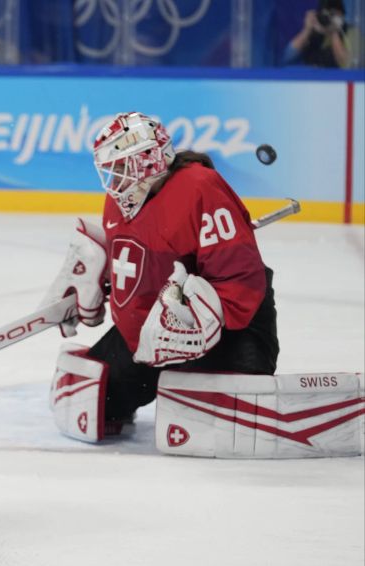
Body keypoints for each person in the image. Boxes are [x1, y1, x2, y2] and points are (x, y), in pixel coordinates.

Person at [50, 112, 279, 438]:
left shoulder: (199, 187)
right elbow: (139, 264)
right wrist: (100, 280)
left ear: (147, 161)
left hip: (225, 330)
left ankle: (219, 373)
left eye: (120, 166)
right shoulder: (119, 200)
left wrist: (198, 324)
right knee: (96, 405)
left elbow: (240, 272)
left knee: (228, 424)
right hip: (150, 333)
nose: (113, 178)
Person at [284, 0, 358, 68]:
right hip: (310, 80)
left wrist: (334, 32)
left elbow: (349, 65)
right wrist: (306, 30)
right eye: (325, 14)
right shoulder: (312, 33)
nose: (328, 18)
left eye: (332, 14)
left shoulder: (352, 33)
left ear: (342, 15)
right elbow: (287, 58)